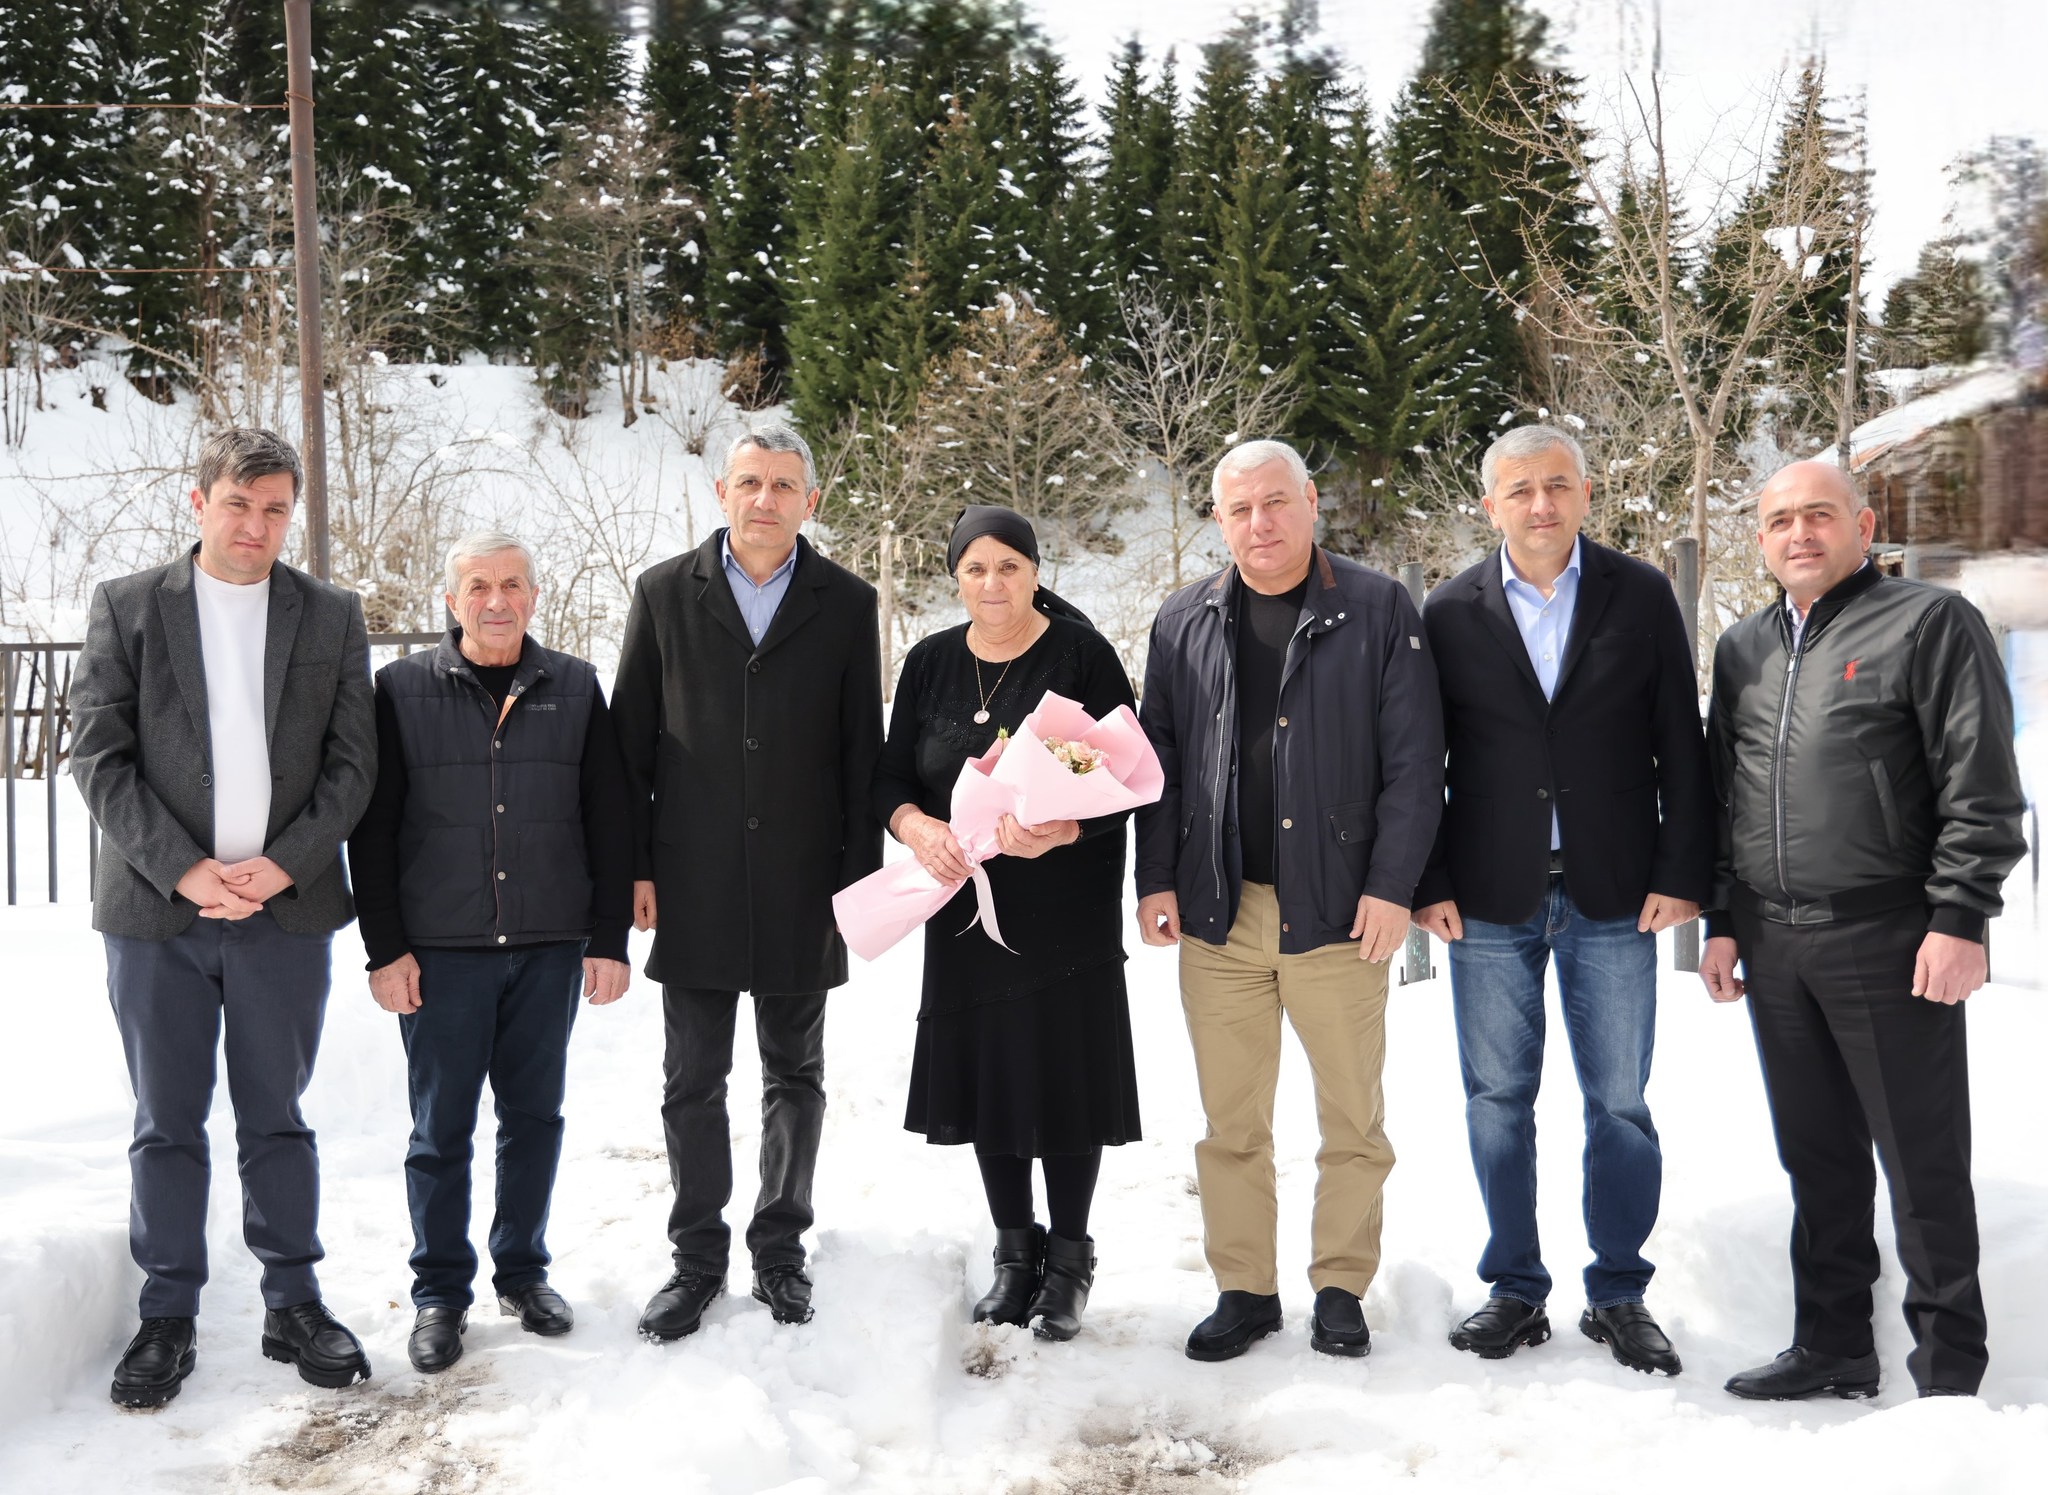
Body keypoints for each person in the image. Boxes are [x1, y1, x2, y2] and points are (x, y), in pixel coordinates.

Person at [1699, 460, 2025, 1402]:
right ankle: (1834, 1343)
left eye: (1819, 514)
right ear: (1761, 539)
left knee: (1922, 1162)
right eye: (1779, 520)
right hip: (1774, 939)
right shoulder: (1744, 647)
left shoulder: (1929, 622)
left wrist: (1960, 916)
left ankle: (1949, 1378)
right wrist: (1723, 919)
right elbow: (1725, 795)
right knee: (1818, 1156)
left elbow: (1981, 784)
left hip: (1889, 934)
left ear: (1864, 525)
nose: (1799, 533)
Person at [70, 427, 378, 1407]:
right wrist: (186, 869)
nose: (256, 524)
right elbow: (98, 757)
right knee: (166, 1121)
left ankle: (294, 1300)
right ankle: (167, 1314)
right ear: (198, 502)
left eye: (275, 508)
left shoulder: (330, 613)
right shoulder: (128, 606)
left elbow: (354, 765)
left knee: (276, 1116)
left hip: (284, 914)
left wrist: (282, 867)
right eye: (238, 503)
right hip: (157, 914)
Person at [1411, 424, 1714, 1376]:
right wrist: (1429, 880)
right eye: (1520, 489)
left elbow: (1681, 741)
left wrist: (1681, 871)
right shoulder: (1447, 610)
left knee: (1619, 1100)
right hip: (1488, 896)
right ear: (1490, 505)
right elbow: (1420, 759)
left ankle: (1619, 1290)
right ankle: (1515, 1286)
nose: (1540, 504)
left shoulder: (1642, 594)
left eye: (1557, 485)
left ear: (1586, 493)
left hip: (1615, 890)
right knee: (1497, 1099)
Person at [1134, 439, 1444, 1362]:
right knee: (1232, 1121)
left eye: (1275, 501)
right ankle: (1245, 1288)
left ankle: (1340, 1286)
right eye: (1240, 509)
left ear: (1311, 501)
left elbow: (1415, 763)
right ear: (1218, 520)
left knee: (1352, 1116)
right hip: (1219, 910)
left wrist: (1391, 886)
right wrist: (1155, 876)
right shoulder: (1183, 617)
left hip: (1339, 909)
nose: (1259, 522)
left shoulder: (1378, 607)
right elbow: (1158, 760)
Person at [612, 423, 883, 1339]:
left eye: (783, 485)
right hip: (693, 880)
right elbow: (629, 748)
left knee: (795, 1075)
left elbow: (862, 751)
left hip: (806, 883)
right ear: (721, 491)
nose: (765, 499)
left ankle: (779, 1249)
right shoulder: (662, 593)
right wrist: (636, 866)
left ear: (811, 501)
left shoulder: (847, 603)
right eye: (750, 482)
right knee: (692, 1079)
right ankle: (696, 1259)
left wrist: (856, 885)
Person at [346, 532, 635, 1374]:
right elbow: (374, 830)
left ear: (534, 597)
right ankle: (440, 1292)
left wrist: (609, 937)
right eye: (478, 585)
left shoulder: (574, 686)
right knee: (440, 1128)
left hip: (548, 945)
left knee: (534, 1117)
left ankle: (523, 1272)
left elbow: (609, 816)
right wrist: (385, 948)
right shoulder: (401, 690)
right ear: (451, 599)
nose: (497, 600)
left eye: (512, 584)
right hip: (441, 952)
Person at [873, 506, 1141, 1343]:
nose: (993, 583)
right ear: (955, 576)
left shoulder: (1082, 654)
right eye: (976, 568)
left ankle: (1069, 1262)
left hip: (1067, 910)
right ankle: (1015, 1253)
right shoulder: (929, 662)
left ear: (1035, 570)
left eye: (1009, 566)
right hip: (965, 908)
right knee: (991, 1077)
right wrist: (916, 826)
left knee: (1064, 1077)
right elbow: (890, 778)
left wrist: (1067, 827)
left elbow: (1131, 774)